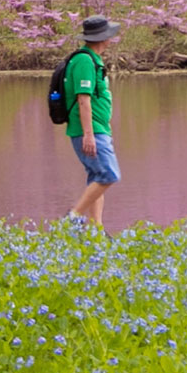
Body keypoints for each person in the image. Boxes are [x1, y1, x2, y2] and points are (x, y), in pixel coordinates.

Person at [64, 15, 122, 226]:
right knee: (109, 174)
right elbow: (83, 99)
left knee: (97, 176)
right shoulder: (84, 61)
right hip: (89, 130)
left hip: (98, 128)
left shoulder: (93, 60)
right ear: (103, 38)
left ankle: (96, 228)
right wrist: (89, 134)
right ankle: (74, 216)